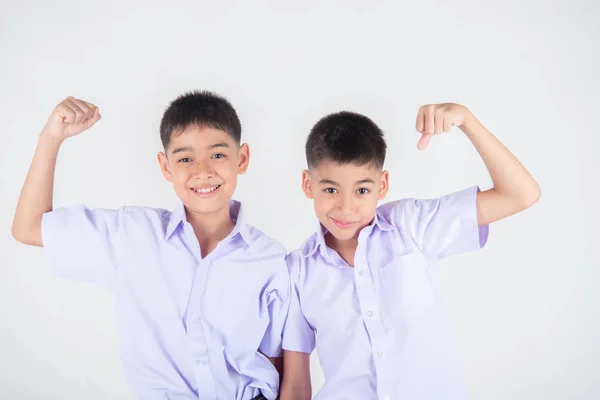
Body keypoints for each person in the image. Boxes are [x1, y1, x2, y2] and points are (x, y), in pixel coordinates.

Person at [12, 92, 290, 400]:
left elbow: (276, 365)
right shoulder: (131, 235)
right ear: (165, 166)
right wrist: (51, 137)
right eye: (185, 158)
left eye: (218, 154)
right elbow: (28, 228)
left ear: (242, 159)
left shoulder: (271, 258)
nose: (202, 171)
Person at [279, 103, 541, 400]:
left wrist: (466, 119)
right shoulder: (297, 271)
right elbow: (297, 384)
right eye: (330, 190)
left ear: (383, 185)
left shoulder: (411, 226)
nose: (346, 207)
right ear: (307, 184)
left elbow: (522, 194)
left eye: (362, 190)